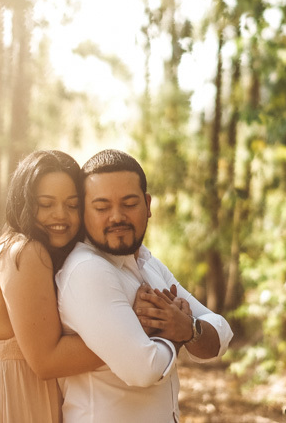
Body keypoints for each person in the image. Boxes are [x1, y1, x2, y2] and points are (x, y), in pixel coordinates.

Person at [56, 148, 234, 423]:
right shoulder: (87, 270)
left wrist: (189, 328)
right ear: (83, 212)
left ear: (148, 205)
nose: (116, 217)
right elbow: (144, 369)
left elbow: (221, 332)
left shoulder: (148, 263)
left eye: (129, 204)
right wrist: (177, 334)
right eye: (102, 207)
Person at [0, 150, 122, 422]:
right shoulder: (27, 252)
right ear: (24, 203)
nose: (60, 214)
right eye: (46, 204)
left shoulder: (15, 249)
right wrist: (132, 332)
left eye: (72, 205)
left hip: (16, 397)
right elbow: (47, 361)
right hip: (6, 403)